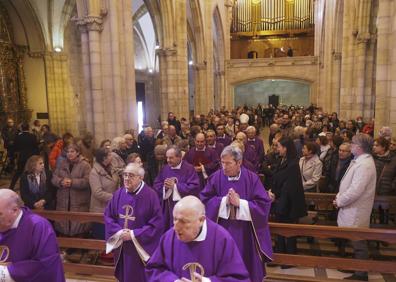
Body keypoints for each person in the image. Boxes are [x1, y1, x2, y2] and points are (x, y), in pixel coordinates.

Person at [200, 145, 273, 281]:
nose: (224, 167)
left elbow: (263, 205)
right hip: (222, 230)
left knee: (246, 263)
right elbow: (204, 200)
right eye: (222, 163)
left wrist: (241, 204)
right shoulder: (216, 178)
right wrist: (223, 202)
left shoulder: (252, 179)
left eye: (228, 163)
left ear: (239, 162)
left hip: (246, 233)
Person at [146, 196, 250, 281]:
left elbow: (238, 279)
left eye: (184, 221)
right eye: (175, 219)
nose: (176, 227)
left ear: (201, 220)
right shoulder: (169, 237)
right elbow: (154, 269)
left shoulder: (221, 239)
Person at [104, 163, 163, 282]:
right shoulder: (118, 194)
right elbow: (108, 216)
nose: (126, 178)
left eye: (131, 175)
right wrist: (119, 232)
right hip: (122, 245)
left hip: (140, 247)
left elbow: (156, 224)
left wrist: (132, 234)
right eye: (125, 175)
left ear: (141, 177)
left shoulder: (151, 196)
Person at [334, 133, 376, 281]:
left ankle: (361, 273)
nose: (350, 145)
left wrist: (340, 201)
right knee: (353, 239)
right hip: (351, 208)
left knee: (358, 241)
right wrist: (340, 197)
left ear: (359, 147)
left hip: (356, 209)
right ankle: (354, 265)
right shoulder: (359, 161)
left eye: (352, 143)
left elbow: (356, 190)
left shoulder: (364, 165)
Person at [0, 189, 65, 281]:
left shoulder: (38, 226)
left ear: (15, 210)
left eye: (0, 214)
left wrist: (6, 272)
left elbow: (46, 264)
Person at [270, 137, 306, 259]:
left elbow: (289, 187)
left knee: (288, 233)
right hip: (282, 201)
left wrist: (276, 195)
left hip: (288, 204)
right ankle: (281, 253)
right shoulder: (284, 160)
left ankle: (289, 258)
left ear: (285, 148)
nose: (277, 149)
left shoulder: (293, 164)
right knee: (281, 231)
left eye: (279, 146)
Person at [153, 146, 200, 230]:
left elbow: (194, 187)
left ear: (179, 157)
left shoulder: (189, 168)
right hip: (167, 208)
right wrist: (165, 188)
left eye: (171, 158)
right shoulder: (165, 168)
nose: (168, 160)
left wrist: (175, 187)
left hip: (184, 208)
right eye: (167, 158)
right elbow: (157, 184)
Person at [51, 143, 91, 236]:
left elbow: (87, 181)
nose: (69, 154)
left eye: (72, 151)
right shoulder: (62, 163)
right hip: (64, 198)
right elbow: (54, 178)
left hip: (78, 199)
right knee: (64, 221)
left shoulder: (85, 165)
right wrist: (61, 181)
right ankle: (66, 241)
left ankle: (78, 244)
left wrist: (72, 182)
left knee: (77, 223)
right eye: (68, 152)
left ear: (78, 153)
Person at [89, 148, 119, 239]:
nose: (112, 156)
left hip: (112, 207)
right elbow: (97, 193)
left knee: (112, 235)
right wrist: (115, 197)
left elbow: (116, 183)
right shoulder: (94, 173)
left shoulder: (112, 169)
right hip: (100, 209)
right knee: (102, 235)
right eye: (109, 155)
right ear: (103, 158)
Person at [372, 137, 396, 224]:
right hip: (372, 190)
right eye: (374, 145)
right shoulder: (372, 158)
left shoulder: (394, 159)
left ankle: (383, 235)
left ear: (384, 147)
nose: (374, 147)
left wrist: (391, 186)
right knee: (370, 213)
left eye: (376, 145)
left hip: (386, 191)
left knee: (384, 214)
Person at [9, 123, 39, 190]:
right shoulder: (33, 136)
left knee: (18, 171)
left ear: (22, 128)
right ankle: (33, 187)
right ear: (28, 128)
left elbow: (15, 147)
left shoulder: (18, 137)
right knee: (32, 172)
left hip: (22, 157)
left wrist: (12, 156)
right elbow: (36, 147)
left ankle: (11, 187)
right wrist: (37, 156)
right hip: (31, 157)